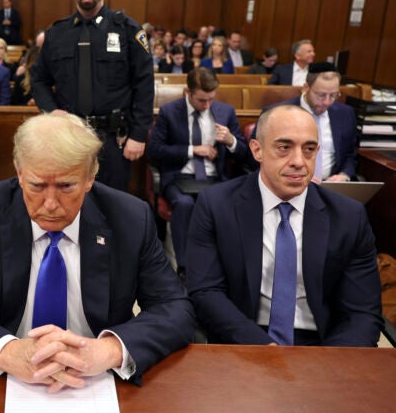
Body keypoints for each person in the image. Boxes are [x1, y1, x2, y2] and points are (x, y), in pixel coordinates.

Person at [0, 113, 194, 391]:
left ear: (90, 177)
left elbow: (175, 308)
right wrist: (6, 352)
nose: (50, 204)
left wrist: (110, 350)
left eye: (66, 186)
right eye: (37, 185)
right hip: (4, 381)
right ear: (19, 172)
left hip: (98, 382)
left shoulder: (130, 218)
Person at [186, 104, 383, 346]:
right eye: (284, 148)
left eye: (309, 149)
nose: (299, 161)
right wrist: (263, 349)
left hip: (323, 344)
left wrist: (329, 364)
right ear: (257, 150)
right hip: (243, 339)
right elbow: (205, 292)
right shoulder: (216, 205)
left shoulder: (349, 216)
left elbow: (362, 313)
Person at [31, 0, 154, 192]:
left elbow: (144, 84)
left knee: (112, 206)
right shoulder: (57, 33)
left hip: (113, 138)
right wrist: (52, 112)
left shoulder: (127, 29)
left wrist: (138, 135)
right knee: (71, 199)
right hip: (70, 135)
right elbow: (39, 79)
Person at [147, 68, 249, 279]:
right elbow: (155, 150)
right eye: (202, 100)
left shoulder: (225, 112)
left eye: (211, 99)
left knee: (223, 203)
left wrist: (231, 140)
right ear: (188, 92)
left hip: (213, 178)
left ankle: (223, 265)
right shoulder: (169, 111)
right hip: (179, 177)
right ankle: (184, 267)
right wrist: (193, 150)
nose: (207, 105)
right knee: (184, 205)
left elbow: (245, 153)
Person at [251, 63, 357, 182]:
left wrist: (344, 175)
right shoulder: (276, 113)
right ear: (306, 88)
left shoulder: (345, 113)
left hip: (331, 187)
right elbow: (257, 157)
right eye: (321, 95)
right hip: (288, 183)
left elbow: (350, 154)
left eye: (333, 95)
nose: (327, 102)